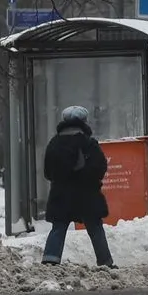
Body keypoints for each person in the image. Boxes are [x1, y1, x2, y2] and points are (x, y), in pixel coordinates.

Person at [41, 106, 115, 268]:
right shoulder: (88, 143)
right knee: (95, 228)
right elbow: (99, 167)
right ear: (84, 122)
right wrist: (88, 179)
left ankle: (50, 260)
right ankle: (105, 263)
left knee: (58, 227)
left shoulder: (53, 144)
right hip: (86, 195)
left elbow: (47, 172)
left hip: (60, 195)